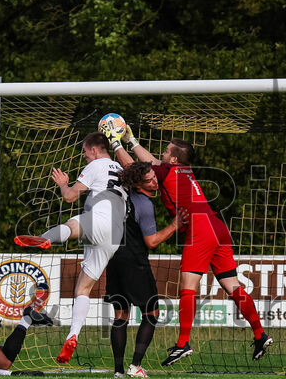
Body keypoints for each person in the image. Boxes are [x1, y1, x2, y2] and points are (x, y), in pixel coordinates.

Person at [111, 127, 272, 365]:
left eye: (166, 151)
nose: (162, 154)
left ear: (174, 159)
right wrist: (131, 140)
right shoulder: (182, 170)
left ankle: (183, 343)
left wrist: (116, 144)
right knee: (233, 286)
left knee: (187, 287)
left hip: (200, 230)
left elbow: (136, 170)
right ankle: (260, 334)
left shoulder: (166, 172)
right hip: (218, 226)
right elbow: (152, 162)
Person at [14, 132, 127, 364]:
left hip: (100, 219)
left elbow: (70, 197)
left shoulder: (97, 164)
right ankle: (73, 334)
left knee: (71, 225)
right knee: (83, 290)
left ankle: (45, 238)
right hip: (116, 236)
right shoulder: (123, 168)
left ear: (95, 150)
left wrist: (64, 185)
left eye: (85, 153)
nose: (85, 157)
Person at [107, 161, 186, 378]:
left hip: (114, 259)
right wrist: (174, 225)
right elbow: (151, 241)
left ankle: (118, 371)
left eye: (154, 176)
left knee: (121, 315)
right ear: (139, 184)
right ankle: (135, 366)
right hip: (134, 261)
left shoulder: (122, 196)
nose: (155, 180)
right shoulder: (143, 204)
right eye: (150, 179)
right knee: (151, 313)